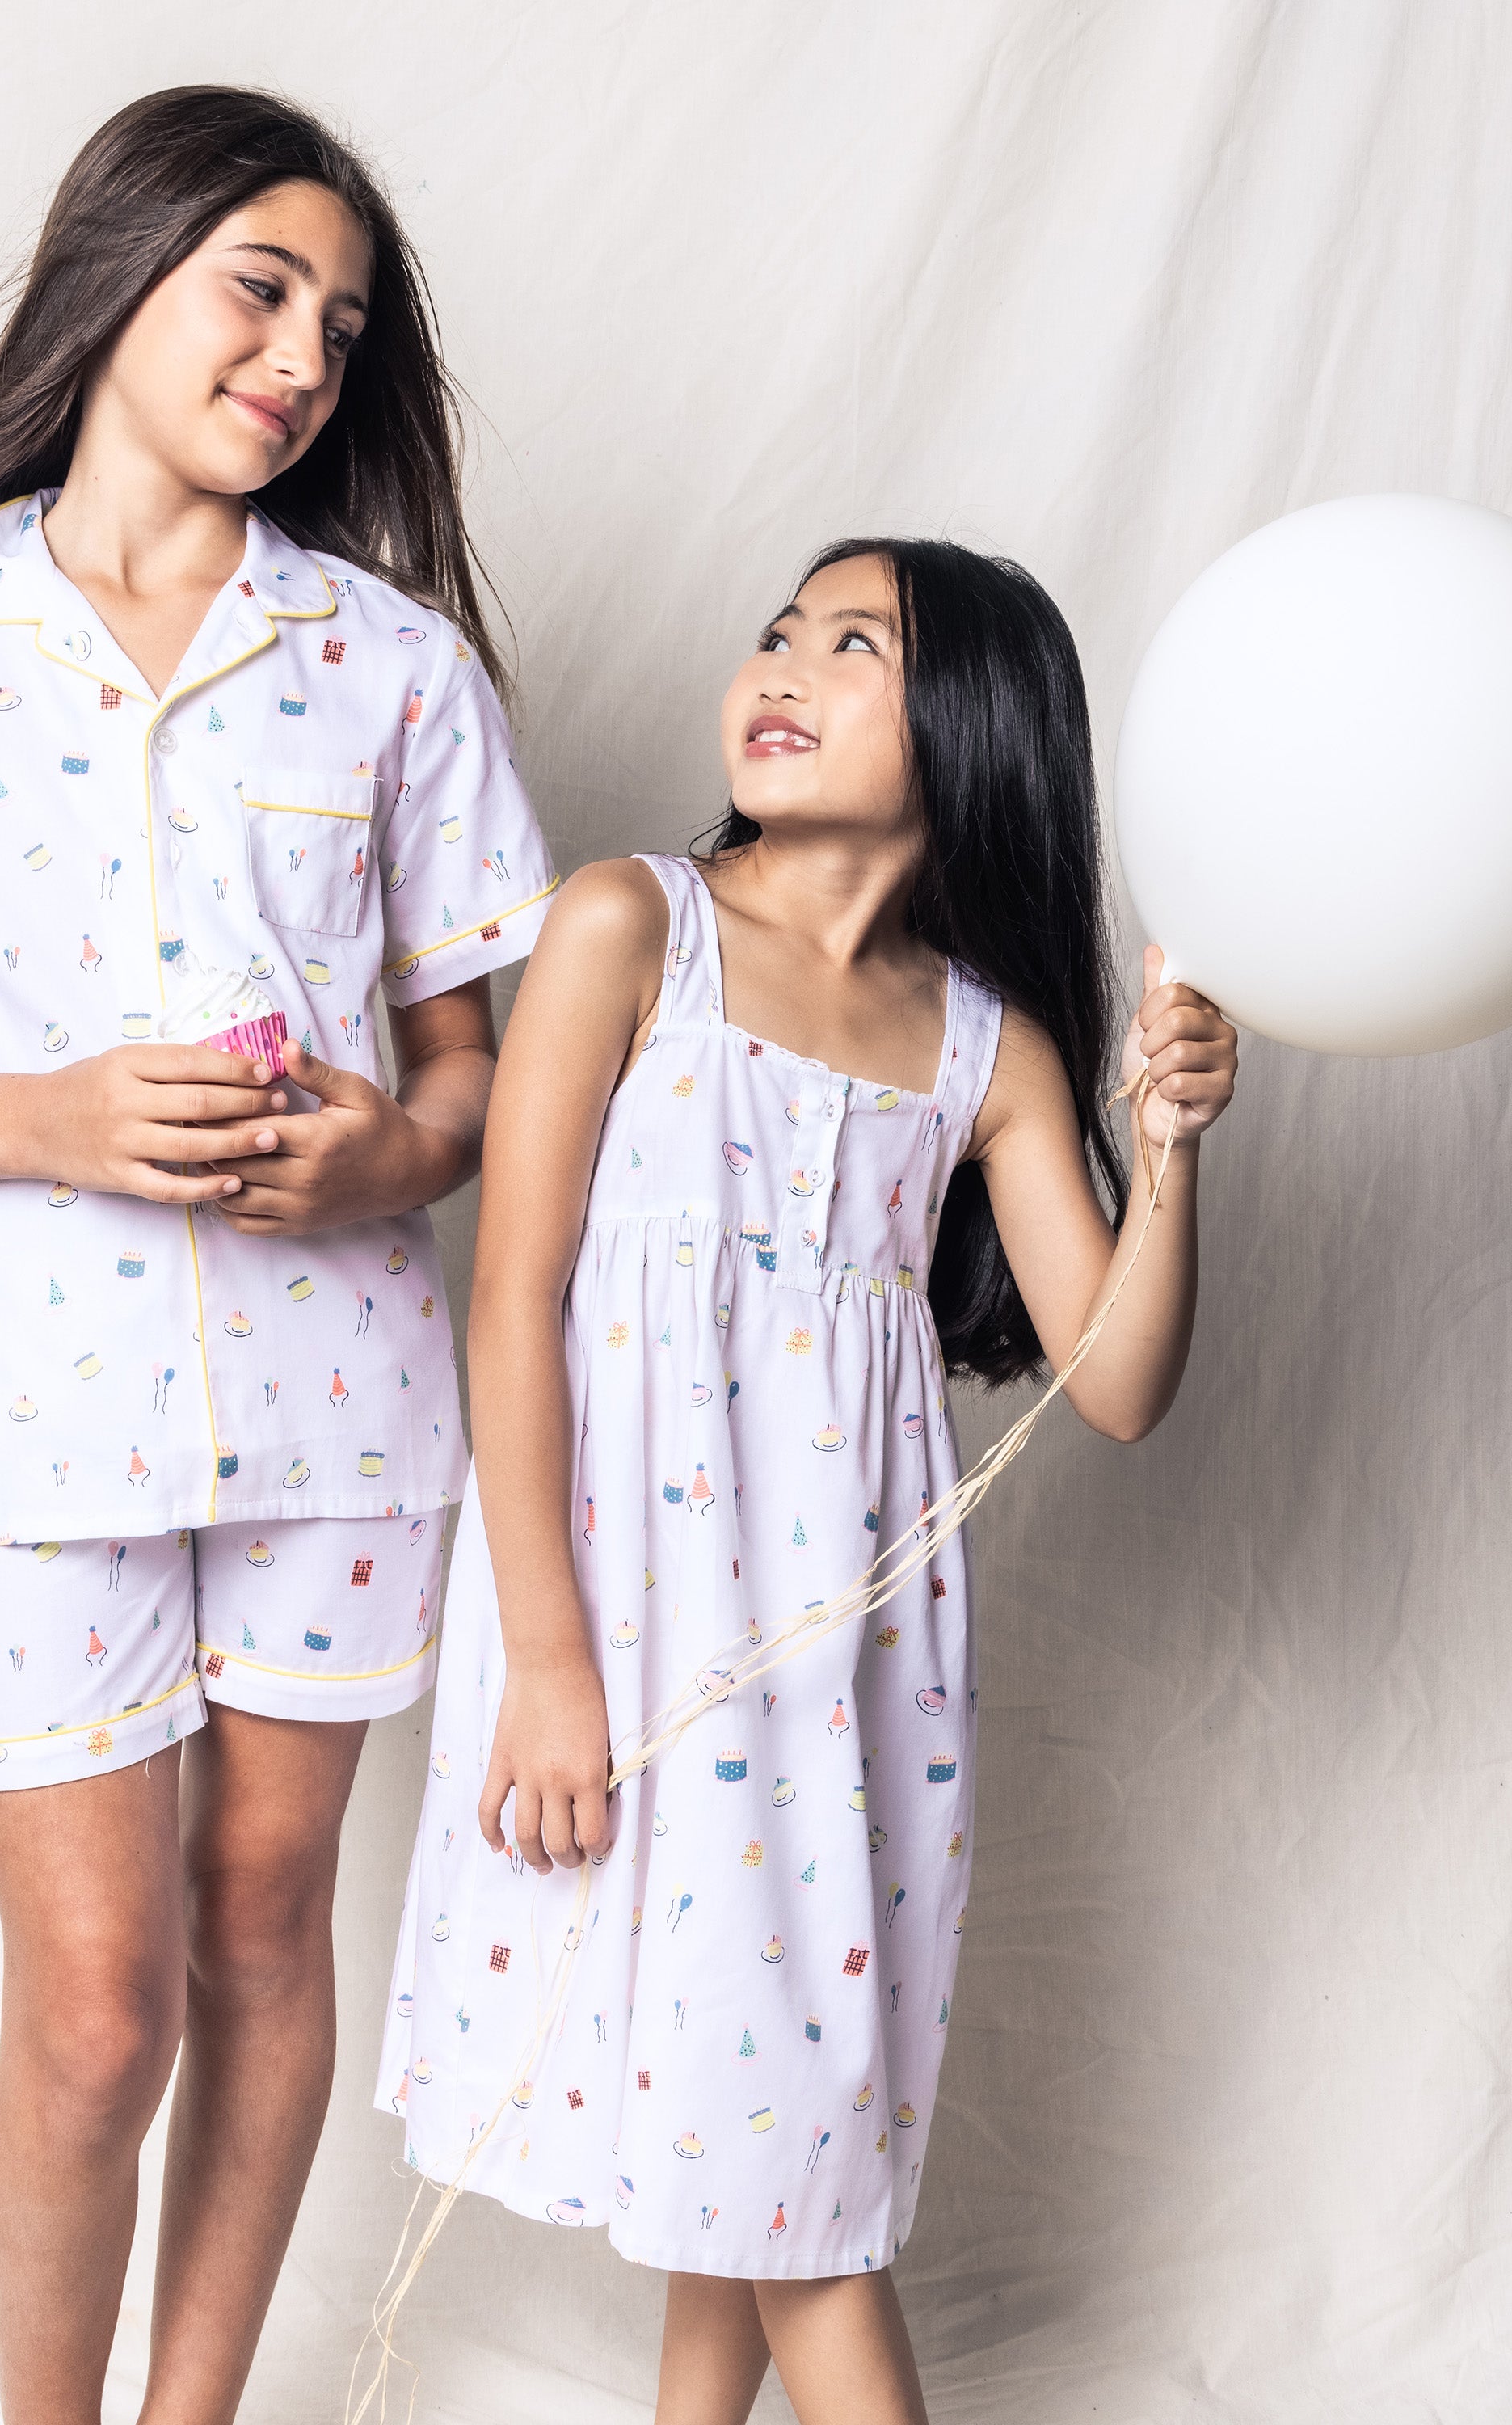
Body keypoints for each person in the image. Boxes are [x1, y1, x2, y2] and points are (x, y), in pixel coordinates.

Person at [0, 86, 555, 2423]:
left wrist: (390, 1163)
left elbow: (476, 1091)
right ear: (124, 268)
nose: (300, 358)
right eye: (260, 289)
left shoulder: (392, 672)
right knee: (91, 2013)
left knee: (266, 1931)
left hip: (349, 1416)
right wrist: (42, 1120)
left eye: (342, 331)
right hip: (42, 1413)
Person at [377, 538, 1238, 2423]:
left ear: (967, 731)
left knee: (765, 2149)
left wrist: (1168, 1145)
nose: (787, 661)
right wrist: (544, 1661)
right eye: (783, 627)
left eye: (858, 646)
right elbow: (510, 1298)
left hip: (847, 1682)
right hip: (618, 1624)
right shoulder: (628, 927)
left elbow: (1117, 1384)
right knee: (781, 2191)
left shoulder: (984, 1052)